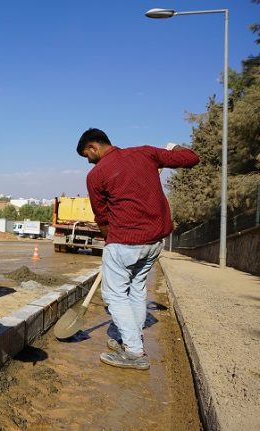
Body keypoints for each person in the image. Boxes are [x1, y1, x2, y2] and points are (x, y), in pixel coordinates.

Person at [77, 128, 199, 370]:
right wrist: (174, 148)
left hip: (125, 241)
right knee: (136, 289)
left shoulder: (96, 175)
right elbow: (191, 158)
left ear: (93, 147)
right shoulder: (145, 153)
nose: (88, 161)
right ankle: (128, 338)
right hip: (154, 242)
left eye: (86, 155)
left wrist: (110, 240)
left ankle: (134, 352)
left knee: (114, 295)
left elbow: (102, 217)